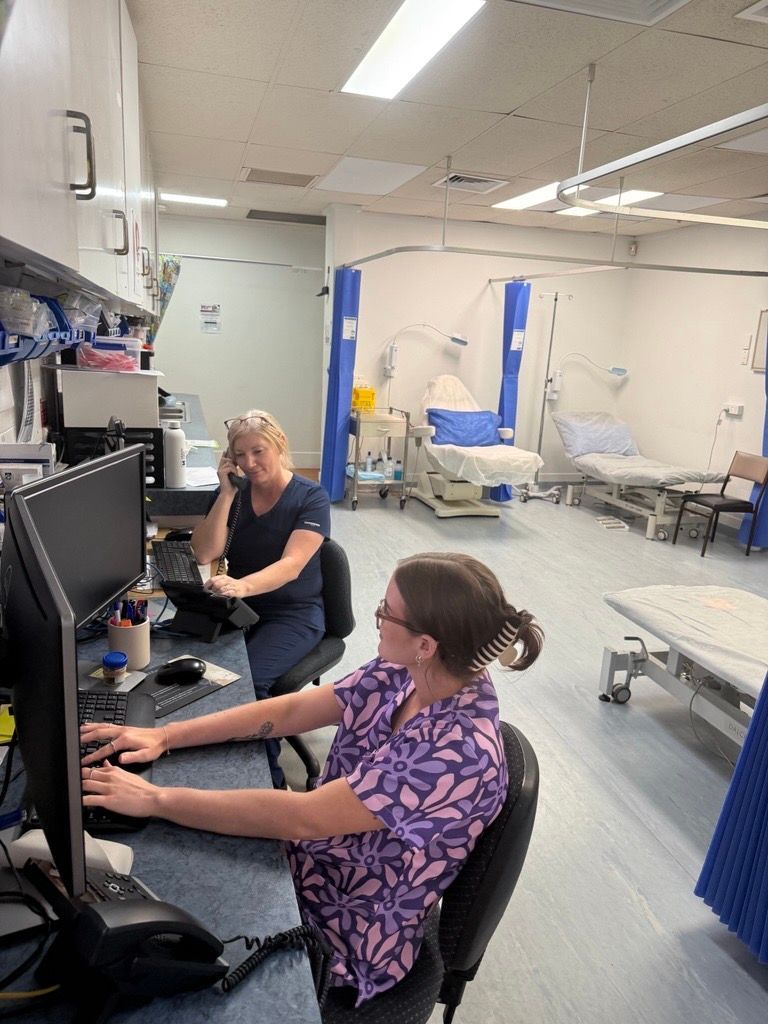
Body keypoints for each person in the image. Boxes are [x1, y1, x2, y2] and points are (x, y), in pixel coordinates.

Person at [81, 552, 543, 1006]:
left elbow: (303, 819)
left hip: (344, 929)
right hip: (313, 863)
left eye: (387, 612)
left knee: (140, 938)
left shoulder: (455, 753)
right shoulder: (407, 671)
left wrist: (156, 799)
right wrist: (165, 736)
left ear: (427, 643)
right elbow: (295, 710)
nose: (378, 618)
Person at [190, 409, 331, 787]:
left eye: (258, 451)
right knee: (188, 664)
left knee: (248, 683)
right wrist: (226, 494)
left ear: (279, 446)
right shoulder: (236, 492)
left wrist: (241, 586)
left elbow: (292, 565)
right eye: (239, 455)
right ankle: (208, 761)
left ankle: (269, 780)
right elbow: (204, 553)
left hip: (293, 614)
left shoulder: (310, 497)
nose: (249, 463)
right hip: (241, 609)